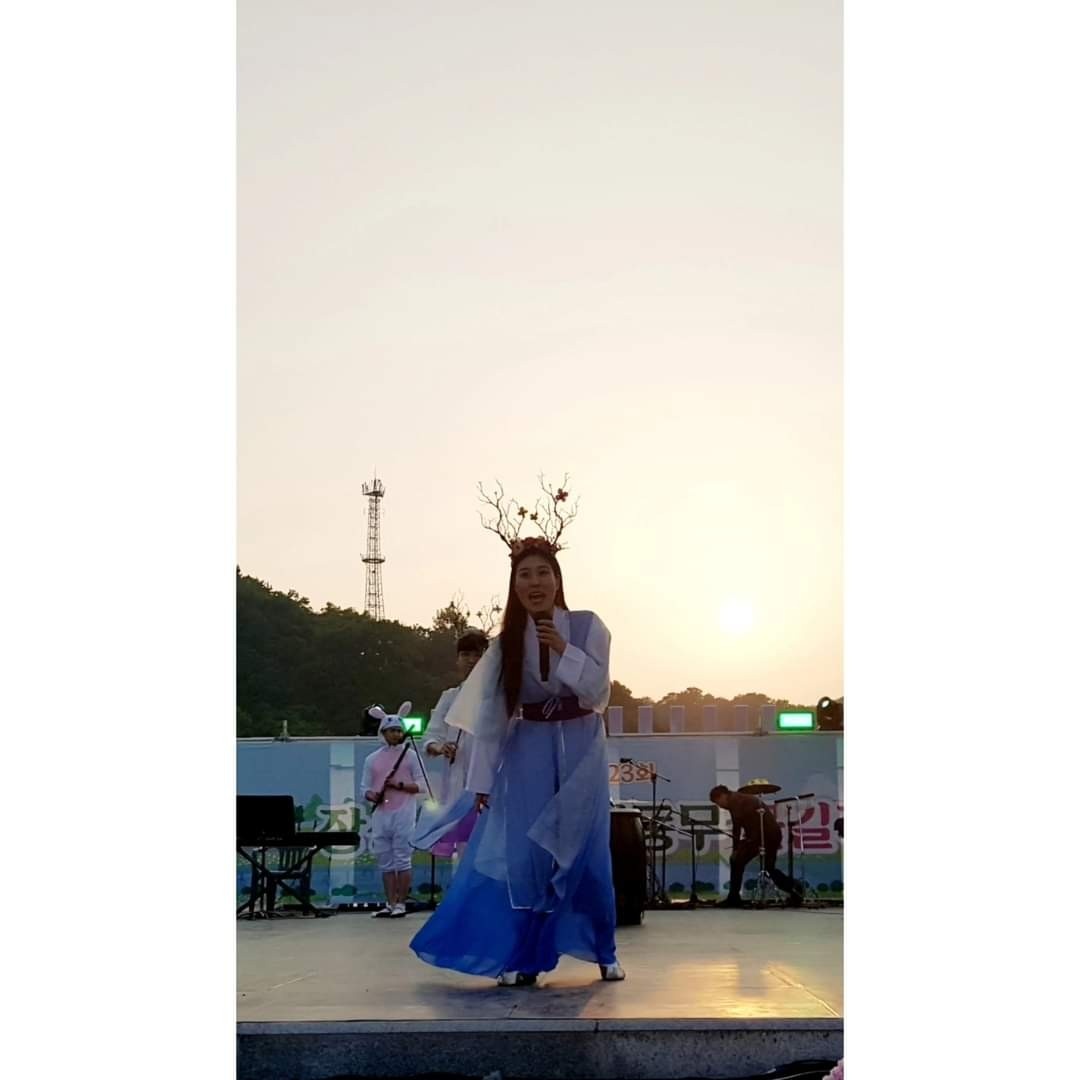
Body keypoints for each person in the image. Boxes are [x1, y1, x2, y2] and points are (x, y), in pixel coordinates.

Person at [410, 536, 625, 985]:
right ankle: (527, 957)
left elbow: (598, 693)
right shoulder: (504, 643)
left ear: (558, 580)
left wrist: (563, 648)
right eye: (524, 575)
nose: (534, 582)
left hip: (582, 744)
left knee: (585, 850)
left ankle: (603, 951)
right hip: (527, 746)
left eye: (543, 572)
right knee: (526, 856)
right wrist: (481, 781)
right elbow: (493, 717)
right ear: (514, 585)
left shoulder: (588, 626)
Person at [420, 628, 489, 857]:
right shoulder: (449, 697)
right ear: (457, 659)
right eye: (465, 654)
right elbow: (430, 737)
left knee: (487, 848)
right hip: (457, 785)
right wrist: (440, 747)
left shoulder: (497, 697)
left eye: (477, 655)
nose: (471, 660)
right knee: (463, 849)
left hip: (489, 785)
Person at [361, 704, 423, 918]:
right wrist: (371, 795)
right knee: (385, 860)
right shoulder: (371, 759)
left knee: (402, 858)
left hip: (404, 811)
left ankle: (401, 904)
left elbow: (422, 785)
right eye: (391, 730)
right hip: (381, 812)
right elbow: (364, 788)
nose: (396, 734)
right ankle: (389, 902)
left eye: (398, 730)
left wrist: (399, 785)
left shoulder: (411, 756)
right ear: (383, 732)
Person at [709, 785, 805, 907]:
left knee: (738, 861)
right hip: (766, 834)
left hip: (765, 835)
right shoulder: (736, 799)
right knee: (766, 867)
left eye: (718, 803)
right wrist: (737, 848)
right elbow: (737, 828)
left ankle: (733, 898)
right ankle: (795, 888)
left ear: (722, 796)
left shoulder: (736, 801)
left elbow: (739, 827)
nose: (720, 806)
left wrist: (740, 847)